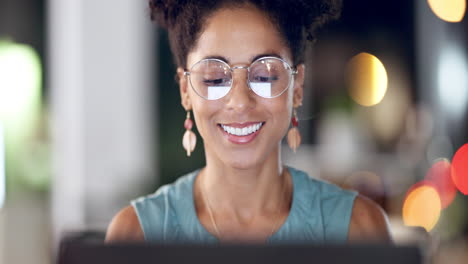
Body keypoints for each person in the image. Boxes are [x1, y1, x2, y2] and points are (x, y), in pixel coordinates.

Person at [106, 0, 392, 244]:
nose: (240, 101)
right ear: (185, 91)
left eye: (265, 76)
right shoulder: (138, 234)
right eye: (215, 79)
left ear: (297, 86)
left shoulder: (358, 229)